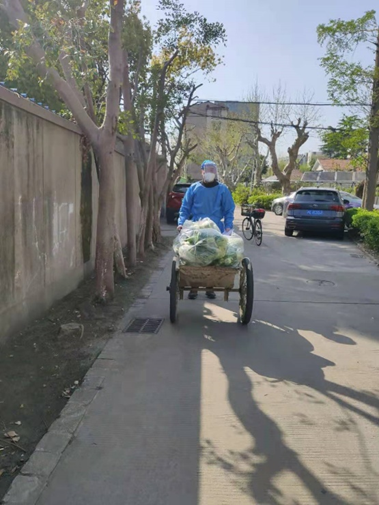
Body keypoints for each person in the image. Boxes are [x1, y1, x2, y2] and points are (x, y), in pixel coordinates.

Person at [177, 160, 235, 300]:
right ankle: (194, 287)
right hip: (197, 227)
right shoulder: (194, 188)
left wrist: (228, 225)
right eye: (208, 170)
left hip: (216, 228)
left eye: (213, 170)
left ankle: (210, 287)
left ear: (216, 172)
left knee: (214, 256)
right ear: (202, 172)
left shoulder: (223, 190)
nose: (210, 172)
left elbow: (229, 209)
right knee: (195, 256)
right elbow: (185, 208)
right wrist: (181, 223)